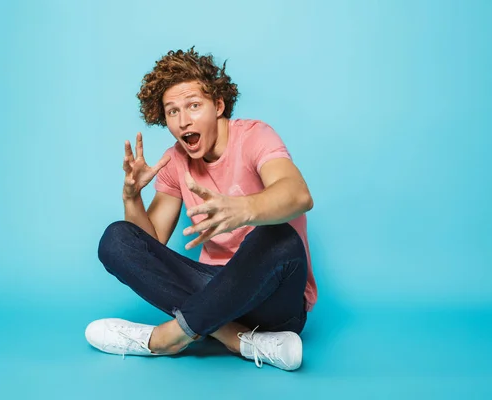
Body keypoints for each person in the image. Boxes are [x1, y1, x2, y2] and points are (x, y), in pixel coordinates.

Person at [85, 47, 318, 371]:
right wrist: (132, 197)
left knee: (281, 237)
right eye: (172, 111)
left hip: (275, 304)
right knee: (116, 238)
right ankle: (236, 338)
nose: (183, 121)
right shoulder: (174, 160)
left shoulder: (254, 136)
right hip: (211, 291)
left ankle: (164, 339)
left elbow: (299, 195)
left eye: (194, 106)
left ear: (218, 105)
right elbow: (149, 243)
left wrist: (244, 209)